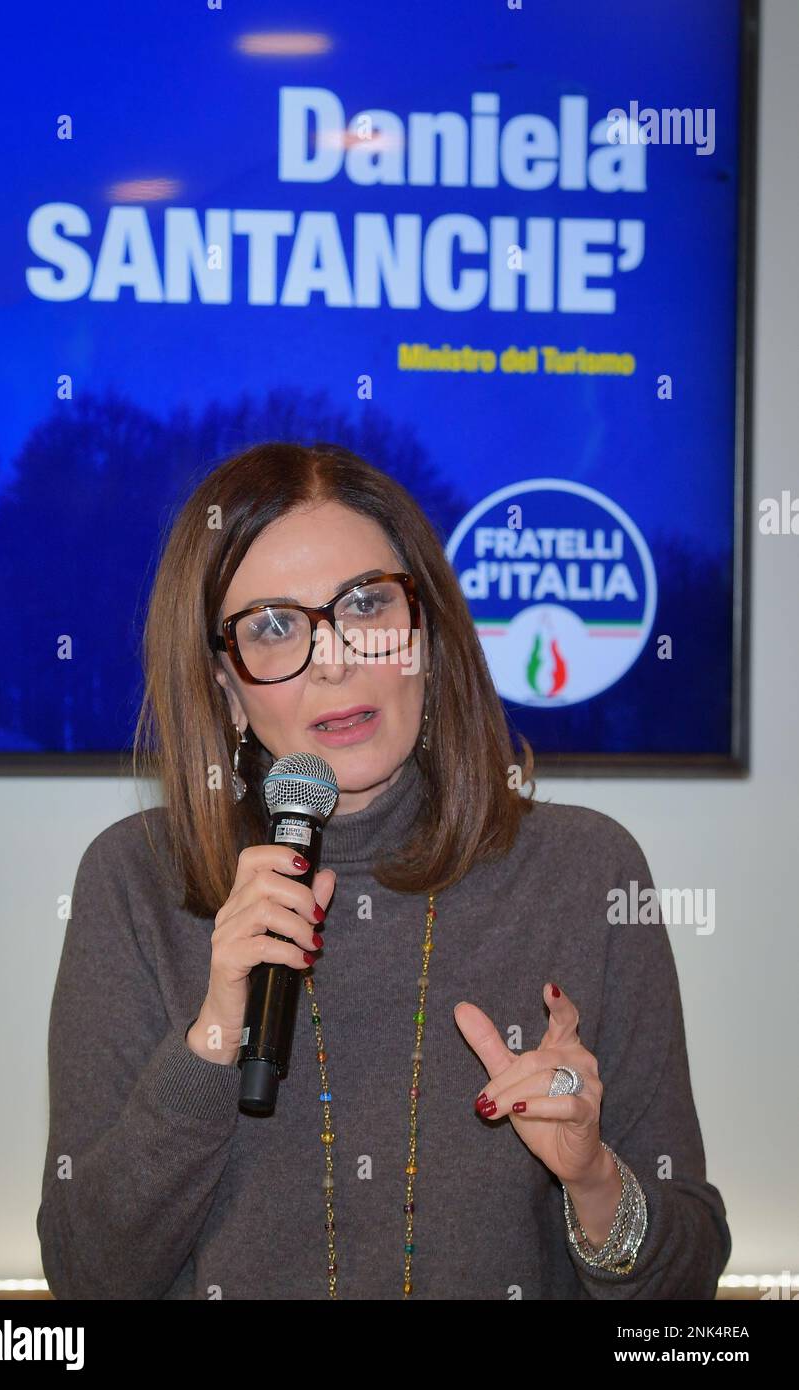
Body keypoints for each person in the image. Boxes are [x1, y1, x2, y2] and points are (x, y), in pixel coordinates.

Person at [36, 441, 731, 1300]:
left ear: (428, 637)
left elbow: (688, 1283)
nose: (334, 660)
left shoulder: (586, 872)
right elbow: (85, 1278)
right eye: (274, 627)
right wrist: (214, 1037)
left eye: (366, 605)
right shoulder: (135, 883)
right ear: (225, 686)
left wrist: (593, 1181)